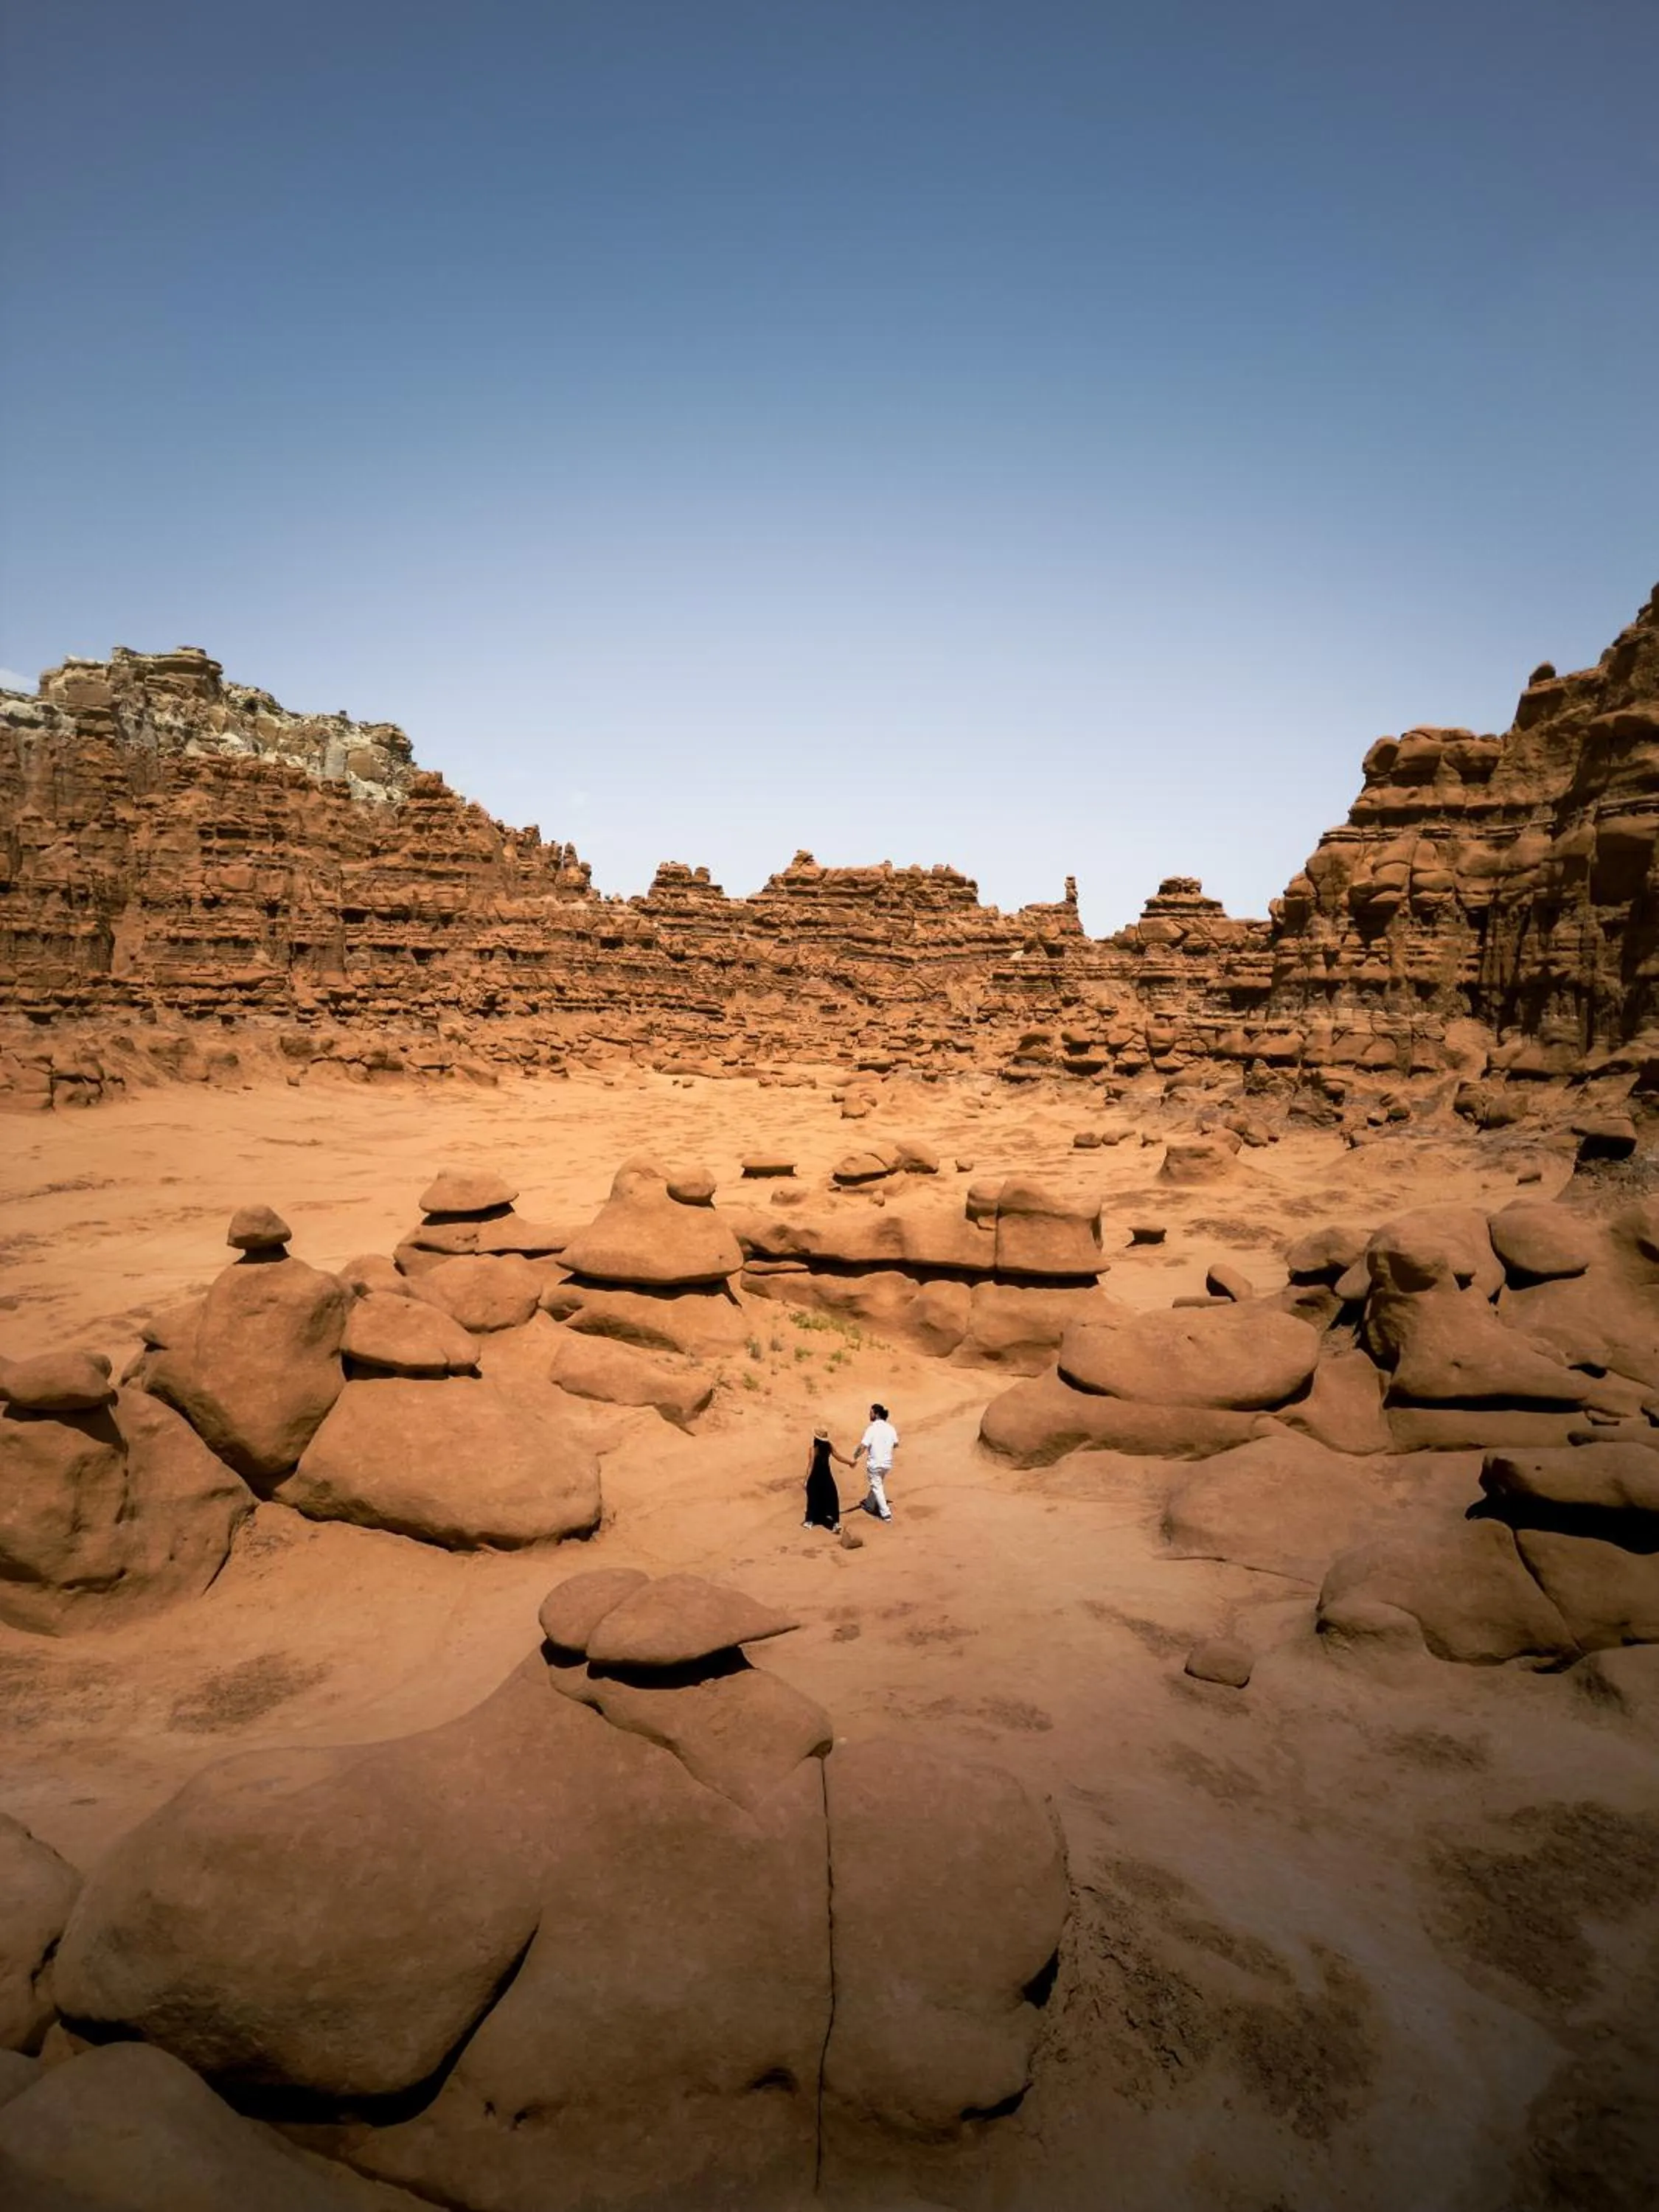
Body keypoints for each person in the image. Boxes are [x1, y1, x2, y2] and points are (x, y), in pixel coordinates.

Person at [852, 1402, 898, 1520]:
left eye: (871, 1413)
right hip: (887, 1464)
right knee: (877, 1483)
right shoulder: (891, 1428)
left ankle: (886, 1513)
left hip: (875, 1464)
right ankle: (870, 1504)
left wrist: (855, 1457)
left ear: (877, 1414)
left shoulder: (872, 1429)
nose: (869, 1415)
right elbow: (896, 1444)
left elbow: (863, 1446)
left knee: (877, 1487)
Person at [803, 1425, 851, 1534]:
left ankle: (810, 1521)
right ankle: (835, 1523)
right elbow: (838, 1457)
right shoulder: (829, 1446)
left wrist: (806, 1480)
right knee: (832, 1497)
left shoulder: (813, 1449)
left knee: (813, 1497)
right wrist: (850, 1462)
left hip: (815, 1477)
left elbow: (811, 1465)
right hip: (826, 1476)